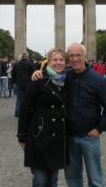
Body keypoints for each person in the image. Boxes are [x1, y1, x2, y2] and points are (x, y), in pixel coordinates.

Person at [33, 43, 106, 187]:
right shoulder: (65, 76)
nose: (75, 59)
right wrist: (37, 73)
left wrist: (99, 129)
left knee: (95, 179)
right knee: (72, 179)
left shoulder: (98, 80)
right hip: (69, 136)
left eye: (78, 55)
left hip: (89, 137)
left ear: (85, 57)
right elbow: (49, 76)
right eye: (71, 56)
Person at [17, 48, 68, 187]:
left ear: (65, 62)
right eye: (55, 60)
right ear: (48, 62)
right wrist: (22, 136)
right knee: (40, 181)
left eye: (61, 60)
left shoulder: (68, 81)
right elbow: (25, 110)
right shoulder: (37, 80)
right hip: (39, 136)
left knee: (53, 181)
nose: (58, 62)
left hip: (58, 136)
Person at [12, 52, 35, 117]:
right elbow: (33, 74)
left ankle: (17, 112)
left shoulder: (16, 64)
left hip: (18, 83)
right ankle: (27, 112)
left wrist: (13, 82)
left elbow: (13, 74)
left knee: (19, 99)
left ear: (21, 57)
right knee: (28, 99)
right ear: (27, 57)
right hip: (28, 83)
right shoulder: (31, 64)